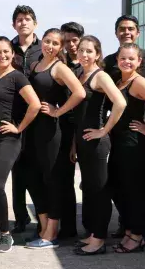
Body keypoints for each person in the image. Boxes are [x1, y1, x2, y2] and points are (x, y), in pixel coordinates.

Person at [0, 36, 41, 252]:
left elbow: (34, 104)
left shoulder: (17, 77)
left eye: (6, 51)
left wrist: (19, 128)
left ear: (12, 54)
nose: (2, 55)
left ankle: (6, 234)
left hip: (8, 138)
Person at [25, 28, 85, 249]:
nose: (50, 46)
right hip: (34, 129)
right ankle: (43, 226)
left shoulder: (59, 67)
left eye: (55, 43)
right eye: (47, 41)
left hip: (52, 130)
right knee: (35, 178)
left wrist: (57, 111)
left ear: (61, 47)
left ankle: (51, 234)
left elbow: (80, 93)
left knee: (52, 180)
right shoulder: (35, 65)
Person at [73, 36, 126, 255]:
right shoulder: (79, 74)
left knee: (100, 191)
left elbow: (120, 103)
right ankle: (94, 233)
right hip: (84, 142)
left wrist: (103, 130)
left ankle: (99, 240)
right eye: (81, 51)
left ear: (97, 54)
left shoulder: (100, 76)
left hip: (97, 143)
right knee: (90, 190)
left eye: (89, 51)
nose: (84, 55)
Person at [109, 43, 145, 253]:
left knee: (137, 191)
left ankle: (137, 236)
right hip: (119, 145)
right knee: (119, 189)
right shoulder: (120, 81)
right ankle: (130, 230)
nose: (126, 62)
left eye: (131, 59)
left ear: (139, 62)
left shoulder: (138, 82)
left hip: (135, 145)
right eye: (123, 58)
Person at [10, 5, 43, 233]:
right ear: (14, 24)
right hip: (13, 117)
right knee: (17, 171)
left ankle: (43, 218)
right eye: (19, 19)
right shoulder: (6, 49)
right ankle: (21, 218)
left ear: (35, 23)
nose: (23, 22)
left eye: (28, 19)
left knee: (38, 171)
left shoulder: (44, 49)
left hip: (40, 118)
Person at [57, 22, 84, 238]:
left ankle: (94, 228)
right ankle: (68, 228)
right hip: (65, 128)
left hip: (87, 127)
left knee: (93, 183)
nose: (71, 45)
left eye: (75, 40)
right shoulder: (60, 65)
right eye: (67, 41)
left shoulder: (90, 66)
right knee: (65, 181)